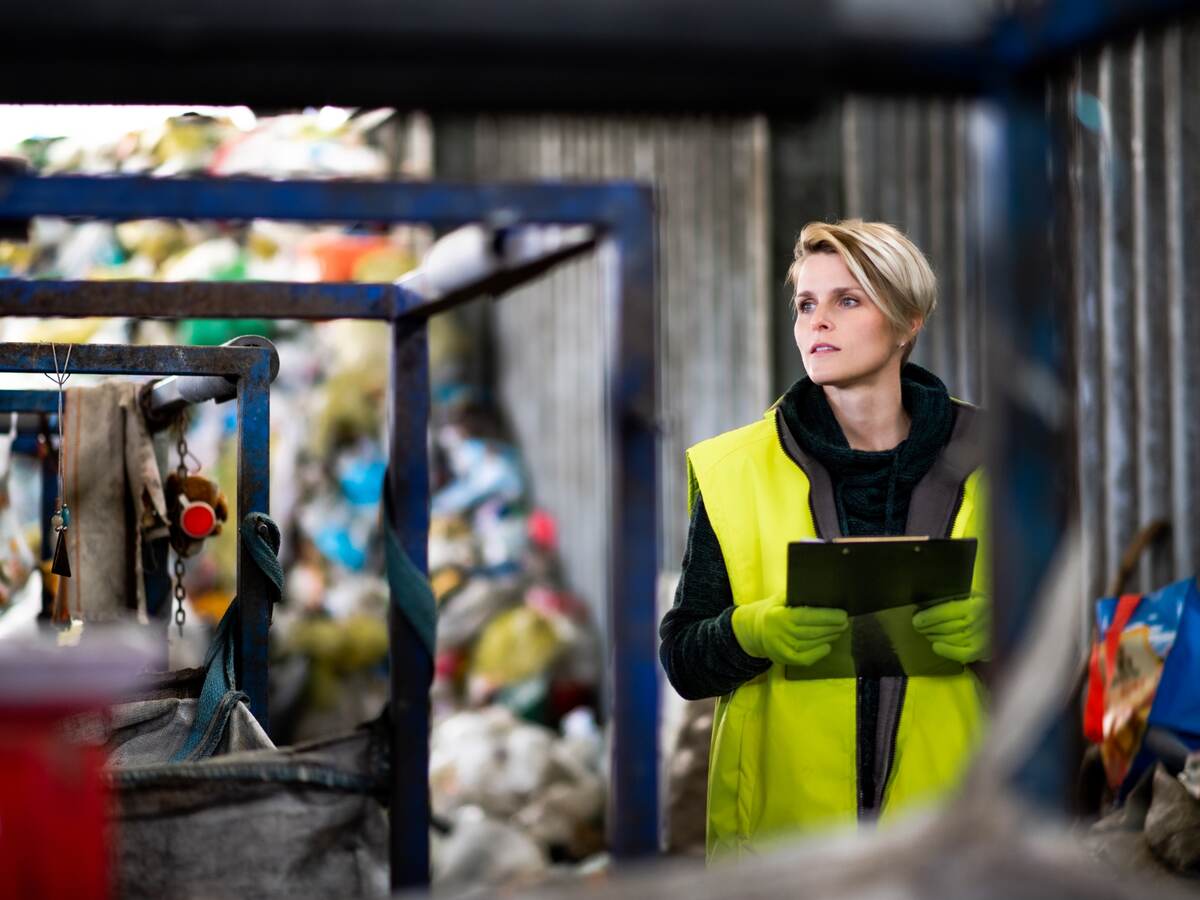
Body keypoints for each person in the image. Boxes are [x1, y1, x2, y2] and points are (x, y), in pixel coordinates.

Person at [659, 219, 990, 859]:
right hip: (788, 853)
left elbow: (1061, 668)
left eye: (848, 300)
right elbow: (684, 662)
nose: (818, 322)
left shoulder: (997, 462)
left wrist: (1001, 637)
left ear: (908, 319)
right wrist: (751, 633)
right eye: (806, 304)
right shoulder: (737, 469)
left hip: (951, 848)